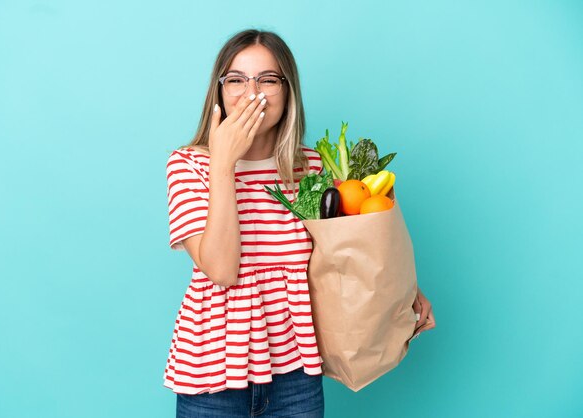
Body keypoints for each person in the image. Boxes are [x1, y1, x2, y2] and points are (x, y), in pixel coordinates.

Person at [163, 28, 435, 418]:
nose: (251, 92)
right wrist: (224, 163)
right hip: (212, 374)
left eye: (268, 80)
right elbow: (221, 270)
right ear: (219, 91)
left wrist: (404, 290)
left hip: (296, 373)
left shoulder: (311, 168)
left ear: (288, 91)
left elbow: (347, 250)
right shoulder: (189, 165)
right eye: (236, 80)